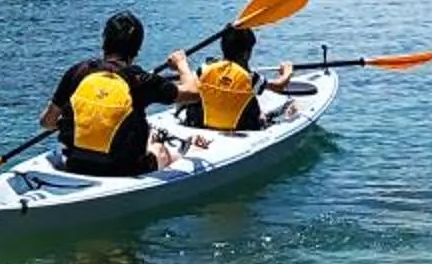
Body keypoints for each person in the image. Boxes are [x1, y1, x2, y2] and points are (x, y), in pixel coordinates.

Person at [43, 11, 179, 176]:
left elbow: (46, 122)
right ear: (137, 49)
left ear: (104, 41)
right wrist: (182, 64)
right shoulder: (140, 79)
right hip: (123, 170)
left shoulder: (78, 71)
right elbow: (192, 92)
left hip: (76, 165)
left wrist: (79, 124)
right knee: (160, 150)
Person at [170, 23, 292, 136]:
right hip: (241, 128)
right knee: (287, 108)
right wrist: (287, 71)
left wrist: (180, 65)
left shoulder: (205, 69)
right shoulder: (251, 78)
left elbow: (188, 83)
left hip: (201, 126)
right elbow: (279, 86)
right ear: (246, 54)